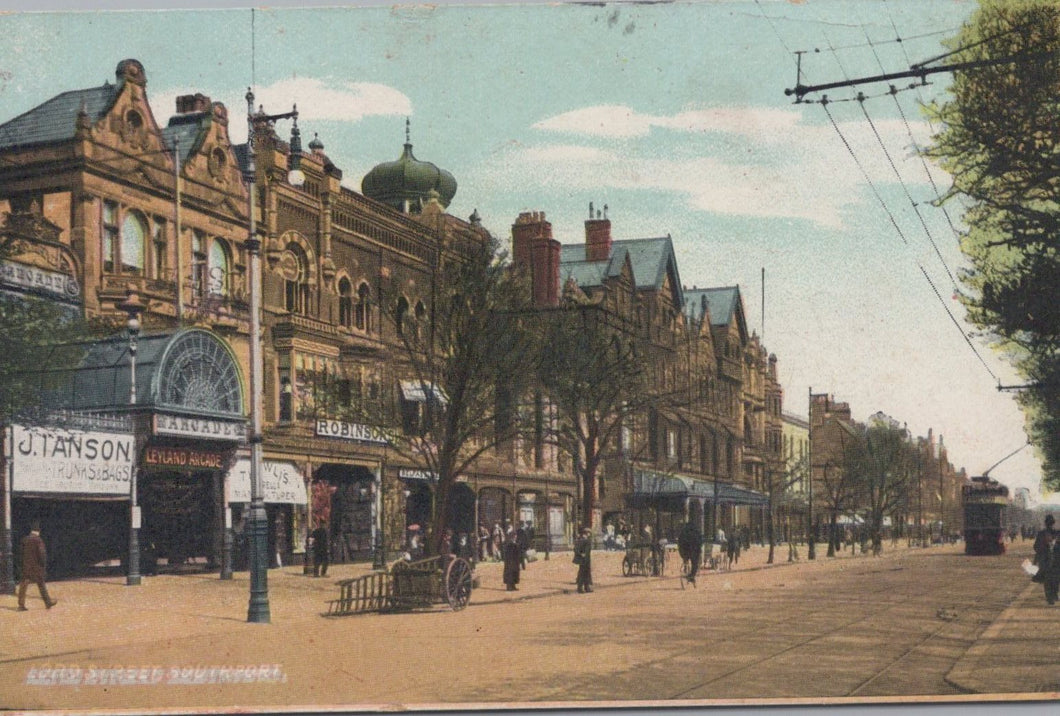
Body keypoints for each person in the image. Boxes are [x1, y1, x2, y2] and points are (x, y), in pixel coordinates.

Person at [17, 523, 56, 611]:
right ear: (38, 531)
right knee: (41, 584)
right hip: (37, 567)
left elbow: (20, 554)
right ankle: (48, 602)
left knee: (23, 585)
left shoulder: (24, 540)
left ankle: (21, 605)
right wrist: (43, 564)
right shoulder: (38, 540)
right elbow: (42, 554)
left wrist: (21, 564)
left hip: (26, 566)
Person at [1033, 514, 1059, 604]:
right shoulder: (1057, 533)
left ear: (1045, 523)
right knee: (1055, 579)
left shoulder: (1041, 534)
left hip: (1045, 561)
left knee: (1047, 580)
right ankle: (1054, 594)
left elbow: (1036, 547)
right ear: (1053, 523)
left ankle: (1050, 598)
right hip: (1056, 561)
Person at [678, 520, 702, 586]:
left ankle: (686, 569)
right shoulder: (696, 532)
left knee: (686, 560)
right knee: (695, 564)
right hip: (694, 551)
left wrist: (681, 551)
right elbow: (700, 542)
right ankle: (691, 576)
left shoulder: (683, 532)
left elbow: (679, 542)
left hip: (685, 551)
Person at [574, 526, 593, 593]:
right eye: (588, 533)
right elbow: (576, 549)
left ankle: (587, 587)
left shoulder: (587, 540)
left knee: (587, 573)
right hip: (583, 559)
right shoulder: (581, 540)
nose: (589, 534)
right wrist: (581, 554)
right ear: (585, 533)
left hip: (587, 559)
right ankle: (580, 588)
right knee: (582, 573)